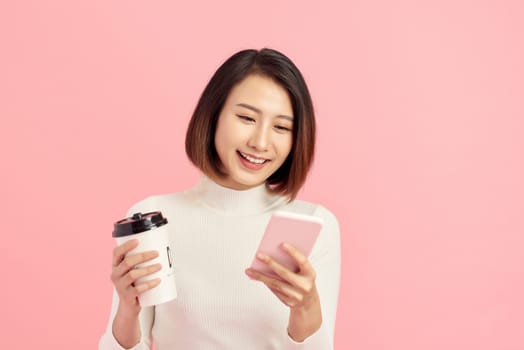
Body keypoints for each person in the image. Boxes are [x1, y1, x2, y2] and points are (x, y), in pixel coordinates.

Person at [99, 48, 341, 350]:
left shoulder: (314, 225)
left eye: (281, 127)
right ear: (213, 115)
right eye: (246, 118)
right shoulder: (154, 218)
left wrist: (305, 313)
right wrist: (127, 309)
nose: (261, 142)